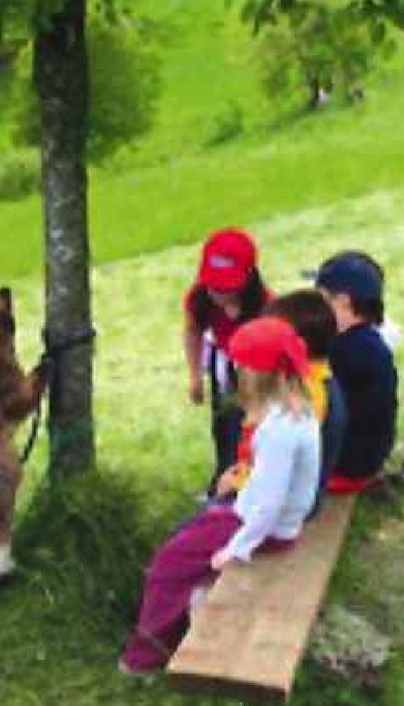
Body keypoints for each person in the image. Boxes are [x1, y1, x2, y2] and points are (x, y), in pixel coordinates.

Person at [120, 317, 319, 674]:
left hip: (263, 529)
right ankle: (181, 616)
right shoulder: (297, 412)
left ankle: (145, 656)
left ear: (257, 374)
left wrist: (236, 548)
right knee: (187, 538)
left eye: (240, 365)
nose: (235, 371)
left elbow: (270, 503)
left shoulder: (278, 431)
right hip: (265, 520)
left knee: (167, 565)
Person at [183, 228, 271, 498]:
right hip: (223, 364)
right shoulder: (199, 299)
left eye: (226, 287)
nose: (218, 294)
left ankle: (246, 484)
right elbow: (193, 331)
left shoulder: (266, 305)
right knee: (223, 423)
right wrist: (195, 375)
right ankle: (222, 480)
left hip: (255, 369)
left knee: (248, 427)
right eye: (213, 286)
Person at [314, 251, 398, 494]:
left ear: (343, 301)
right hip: (368, 452)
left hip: (350, 463)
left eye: (321, 298)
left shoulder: (349, 350)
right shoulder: (365, 339)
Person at [262, 289, 347, 516]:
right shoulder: (315, 376)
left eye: (270, 335)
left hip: (288, 505)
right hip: (295, 495)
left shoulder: (308, 394)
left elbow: (282, 462)